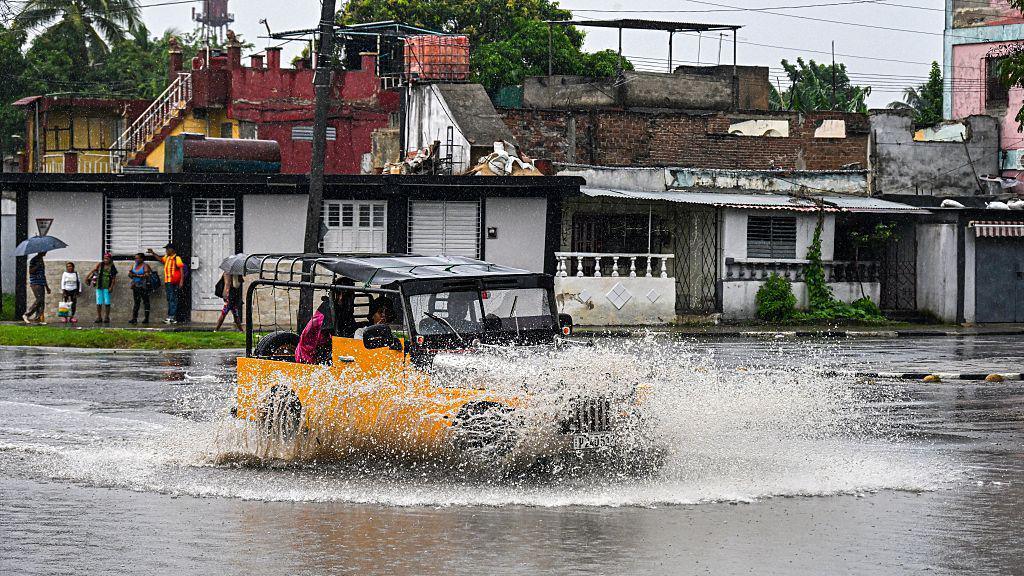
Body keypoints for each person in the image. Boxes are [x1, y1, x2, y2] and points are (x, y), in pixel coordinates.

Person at [295, 282, 349, 364]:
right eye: (338, 294)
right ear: (334, 294)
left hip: (318, 349)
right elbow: (333, 336)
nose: (341, 298)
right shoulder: (328, 309)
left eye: (344, 295)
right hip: (308, 355)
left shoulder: (341, 308)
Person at [148, 243, 185, 324]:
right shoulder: (167, 257)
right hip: (167, 282)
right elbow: (160, 259)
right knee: (169, 298)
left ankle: (171, 317)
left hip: (174, 282)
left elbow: (181, 269)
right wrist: (153, 253)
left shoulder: (177, 258)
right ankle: (170, 317)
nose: (166, 250)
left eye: (167, 249)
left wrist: (181, 281)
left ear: (172, 250)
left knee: (173, 299)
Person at [88, 253, 118, 324]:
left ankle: (107, 317)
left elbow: (113, 278)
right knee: (99, 302)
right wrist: (89, 277)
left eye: (107, 258)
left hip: (107, 286)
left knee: (107, 302)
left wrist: (111, 287)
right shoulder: (100, 265)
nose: (105, 260)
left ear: (110, 259)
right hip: (99, 285)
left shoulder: (112, 267)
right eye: (104, 258)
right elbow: (95, 272)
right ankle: (99, 317)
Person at [23, 252, 50, 324]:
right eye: (45, 251)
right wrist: (37, 266)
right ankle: (27, 314)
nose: (46, 252)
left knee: (41, 301)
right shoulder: (34, 260)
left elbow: (43, 274)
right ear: (40, 251)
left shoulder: (41, 260)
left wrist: (47, 287)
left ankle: (38, 319)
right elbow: (30, 271)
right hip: (35, 283)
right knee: (39, 299)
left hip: (41, 283)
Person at [128, 253, 154, 325]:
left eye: (137, 258)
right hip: (135, 286)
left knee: (146, 302)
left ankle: (146, 318)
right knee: (136, 302)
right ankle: (134, 318)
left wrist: (135, 275)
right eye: (135, 258)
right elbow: (129, 274)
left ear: (142, 259)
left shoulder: (145, 266)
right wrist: (136, 275)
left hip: (144, 286)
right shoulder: (134, 265)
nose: (136, 260)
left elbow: (146, 275)